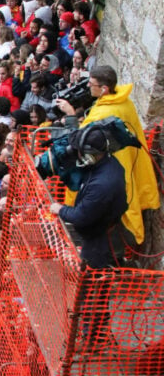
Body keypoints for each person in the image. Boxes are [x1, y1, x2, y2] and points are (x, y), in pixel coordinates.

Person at [56, 63, 159, 246]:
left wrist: (71, 115)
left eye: (91, 84)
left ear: (104, 88)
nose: (88, 87)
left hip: (107, 173)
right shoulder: (123, 102)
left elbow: (81, 142)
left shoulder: (106, 112)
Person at [50, 125, 129, 268]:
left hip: (98, 237)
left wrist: (60, 209)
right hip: (100, 225)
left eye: (79, 152)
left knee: (89, 274)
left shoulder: (102, 186)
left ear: (90, 156)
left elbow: (81, 216)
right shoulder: (107, 164)